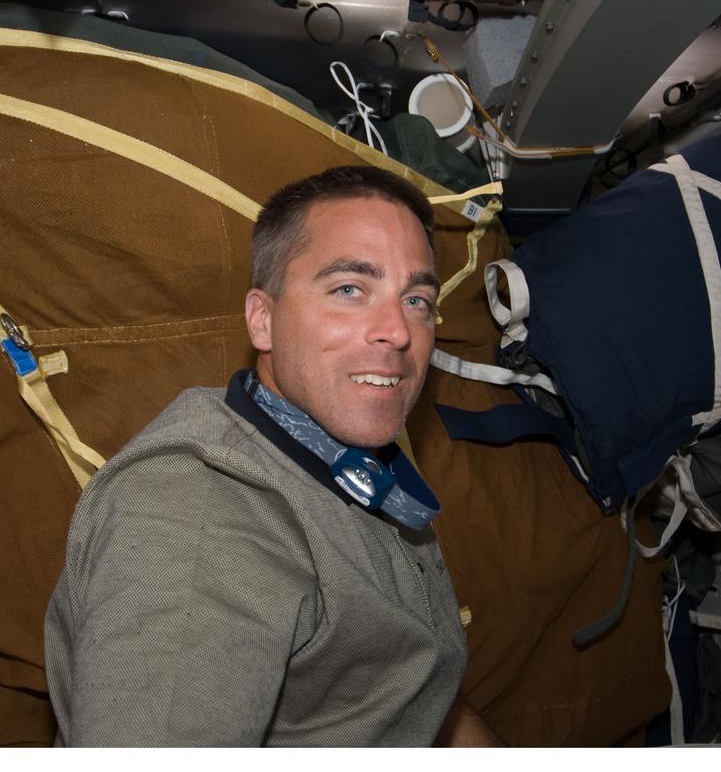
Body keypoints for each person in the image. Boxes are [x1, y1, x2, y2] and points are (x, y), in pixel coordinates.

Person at [44, 165, 499, 746]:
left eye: (415, 299)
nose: (398, 331)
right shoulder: (199, 520)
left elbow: (412, 688)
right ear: (263, 319)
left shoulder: (336, 446)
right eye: (349, 289)